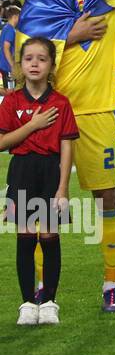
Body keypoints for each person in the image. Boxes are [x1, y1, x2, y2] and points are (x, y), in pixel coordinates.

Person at [16, 0, 115, 311]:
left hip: (98, 111)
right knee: (40, 204)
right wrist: (72, 33)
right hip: (49, 112)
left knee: (107, 197)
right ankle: (40, 286)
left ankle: (111, 285)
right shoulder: (40, 0)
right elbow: (28, 55)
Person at [0, 37, 76, 326]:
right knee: (25, 238)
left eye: (41, 59)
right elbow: (2, 141)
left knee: (49, 237)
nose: (34, 63)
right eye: (29, 58)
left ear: (51, 66)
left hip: (50, 172)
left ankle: (49, 303)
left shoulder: (60, 102)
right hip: (21, 170)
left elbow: (68, 145)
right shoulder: (12, 102)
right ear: (20, 65)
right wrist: (32, 125)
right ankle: (27, 303)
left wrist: (63, 187)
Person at [0, 5, 19, 88]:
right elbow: (6, 48)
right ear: (15, 17)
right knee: (10, 92)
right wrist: (12, 65)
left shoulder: (5, 28)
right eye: (19, 17)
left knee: (9, 90)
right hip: (7, 66)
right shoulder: (10, 30)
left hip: (4, 64)